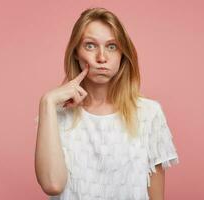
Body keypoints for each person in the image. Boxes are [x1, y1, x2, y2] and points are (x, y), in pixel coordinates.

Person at [34, 7, 179, 200]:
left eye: (112, 46)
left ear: (122, 54)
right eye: (90, 45)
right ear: (76, 52)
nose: (102, 58)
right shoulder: (55, 114)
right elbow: (52, 184)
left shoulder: (148, 114)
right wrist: (47, 102)